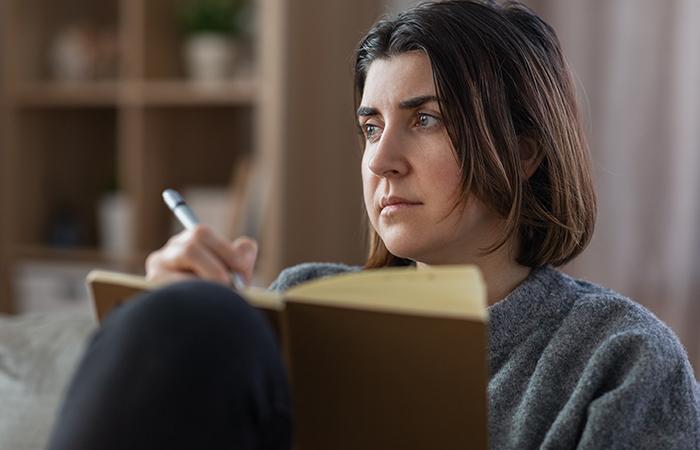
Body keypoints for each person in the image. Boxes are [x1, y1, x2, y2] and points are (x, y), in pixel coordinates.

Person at [48, 1, 700, 449]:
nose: (381, 161)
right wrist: (161, 324)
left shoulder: (618, 358)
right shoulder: (296, 305)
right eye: (370, 127)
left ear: (526, 149)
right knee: (192, 319)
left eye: (425, 120)